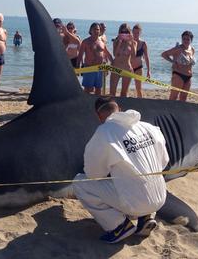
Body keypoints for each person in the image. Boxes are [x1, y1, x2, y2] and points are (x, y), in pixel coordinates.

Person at [73, 96, 169, 243]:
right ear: (120, 110)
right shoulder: (149, 127)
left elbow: (94, 174)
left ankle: (118, 226)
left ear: (99, 116)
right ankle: (146, 218)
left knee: (80, 182)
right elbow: (164, 162)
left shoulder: (104, 132)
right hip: (161, 198)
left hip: (136, 203)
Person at [77, 23, 113, 96]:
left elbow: (107, 54)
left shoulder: (102, 42)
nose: (97, 31)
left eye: (98, 29)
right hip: (89, 68)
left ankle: (97, 106)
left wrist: (113, 63)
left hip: (100, 69)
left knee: (98, 90)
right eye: (95, 29)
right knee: (88, 90)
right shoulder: (86, 42)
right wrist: (78, 68)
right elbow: (80, 55)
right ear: (91, 30)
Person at [161, 31, 196, 101]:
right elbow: (164, 54)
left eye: (188, 39)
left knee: (183, 98)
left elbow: (190, 63)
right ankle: (169, 111)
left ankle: (180, 112)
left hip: (188, 76)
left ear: (191, 40)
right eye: (184, 39)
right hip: (178, 74)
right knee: (174, 96)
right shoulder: (178, 49)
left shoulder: (192, 49)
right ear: (181, 39)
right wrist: (172, 61)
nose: (185, 40)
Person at [110, 23, 137, 97]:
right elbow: (115, 54)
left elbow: (134, 56)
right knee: (112, 93)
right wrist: (119, 42)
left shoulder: (133, 42)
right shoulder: (116, 41)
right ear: (119, 32)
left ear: (129, 33)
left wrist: (131, 42)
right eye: (122, 32)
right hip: (116, 68)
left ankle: (122, 108)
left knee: (124, 93)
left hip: (127, 69)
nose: (124, 34)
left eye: (126, 32)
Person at [131, 24, 151, 98]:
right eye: (134, 32)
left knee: (138, 88)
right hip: (129, 68)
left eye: (137, 33)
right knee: (125, 88)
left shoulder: (143, 43)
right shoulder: (129, 42)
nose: (135, 34)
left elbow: (146, 57)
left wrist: (149, 70)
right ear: (132, 32)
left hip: (138, 68)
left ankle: (140, 103)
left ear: (140, 33)